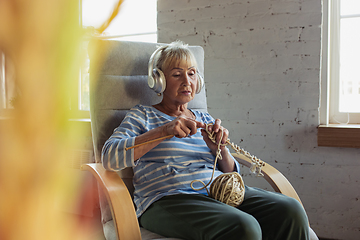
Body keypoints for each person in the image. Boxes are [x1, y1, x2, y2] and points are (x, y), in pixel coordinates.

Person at [102, 40, 309, 240]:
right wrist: (163, 131)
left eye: (192, 74)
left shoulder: (203, 118)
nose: (187, 81)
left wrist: (221, 150)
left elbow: (231, 173)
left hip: (217, 191)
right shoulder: (142, 116)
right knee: (244, 227)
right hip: (168, 199)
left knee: (290, 210)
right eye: (177, 74)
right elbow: (109, 157)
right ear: (159, 80)